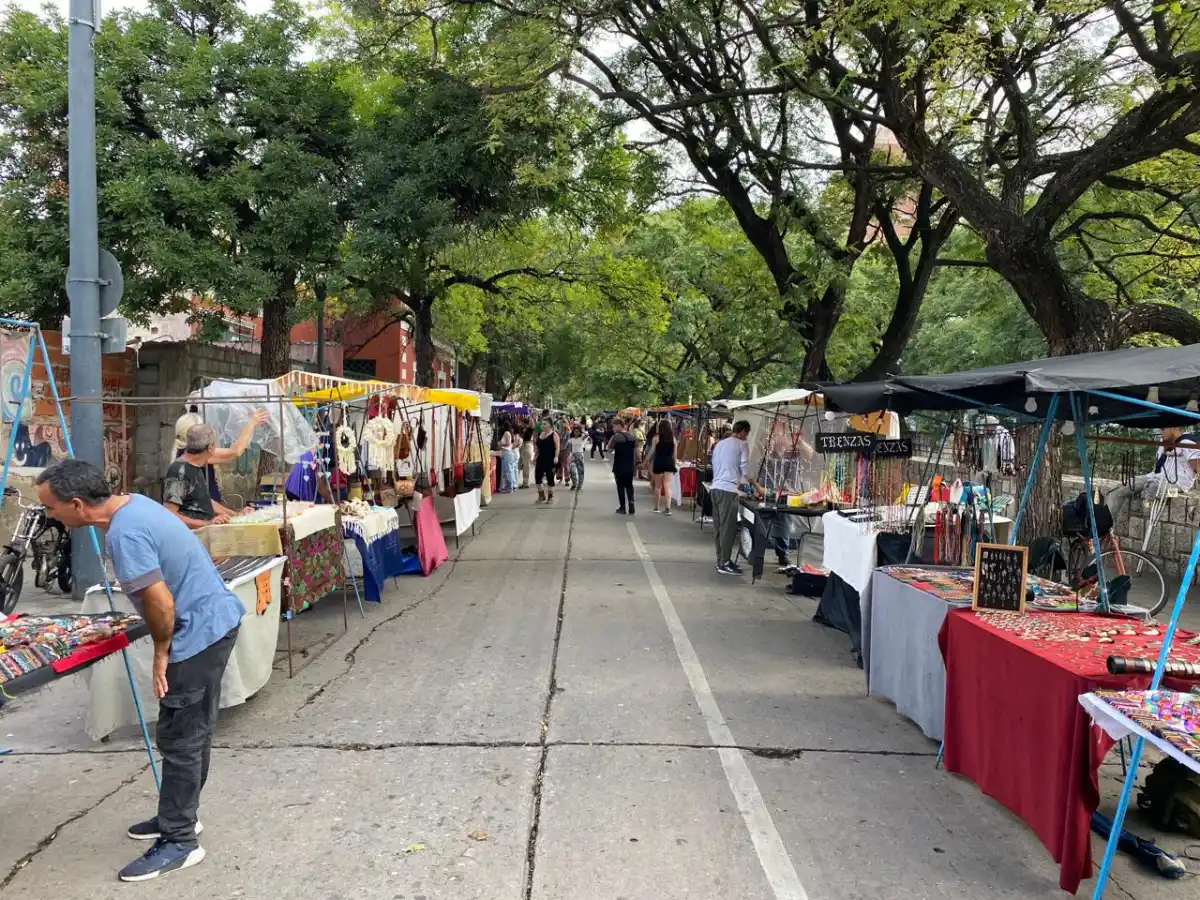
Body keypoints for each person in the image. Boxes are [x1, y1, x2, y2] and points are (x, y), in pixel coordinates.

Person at [35, 459, 243, 881]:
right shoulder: (133, 504)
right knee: (190, 729)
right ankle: (179, 816)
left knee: (181, 737)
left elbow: (161, 603)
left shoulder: (124, 533)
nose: (49, 516)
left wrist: (161, 651)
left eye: (51, 508)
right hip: (214, 621)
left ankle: (179, 840)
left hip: (197, 632)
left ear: (77, 504)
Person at [162, 414, 266, 528]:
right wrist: (207, 523)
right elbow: (170, 513)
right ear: (210, 448)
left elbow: (205, 500)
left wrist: (236, 515)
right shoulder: (179, 471)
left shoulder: (196, 465)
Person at [1107, 427, 1200, 524]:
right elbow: (1158, 467)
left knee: (1154, 488)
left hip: (1178, 484)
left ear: (1173, 428)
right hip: (1156, 477)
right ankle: (1105, 526)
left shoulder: (1188, 442)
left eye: (1163, 429)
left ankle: (1165, 495)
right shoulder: (1163, 441)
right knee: (1120, 489)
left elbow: (1198, 468)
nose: (1161, 432)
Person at [710, 420, 763, 576]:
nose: (746, 437)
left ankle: (721, 559)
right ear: (743, 432)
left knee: (719, 528)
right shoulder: (741, 445)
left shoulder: (719, 444)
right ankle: (725, 563)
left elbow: (717, 466)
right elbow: (745, 470)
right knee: (728, 528)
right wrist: (757, 486)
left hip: (715, 488)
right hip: (728, 490)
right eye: (747, 434)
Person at [608, 418, 638, 514]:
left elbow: (609, 450)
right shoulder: (632, 437)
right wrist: (639, 462)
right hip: (630, 465)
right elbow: (637, 451)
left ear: (619, 425)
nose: (613, 428)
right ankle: (631, 501)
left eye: (613, 426)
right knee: (629, 485)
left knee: (620, 486)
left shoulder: (616, 437)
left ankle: (622, 507)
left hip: (619, 464)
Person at [649, 419, 678, 515]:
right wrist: (674, 463)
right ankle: (668, 509)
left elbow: (652, 451)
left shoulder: (656, 438)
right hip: (669, 462)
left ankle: (656, 507)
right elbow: (675, 455)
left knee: (657, 486)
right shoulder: (673, 439)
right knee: (667, 486)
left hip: (659, 462)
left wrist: (645, 461)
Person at [534, 417, 560, 504]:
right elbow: (538, 448)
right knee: (538, 477)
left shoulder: (554, 435)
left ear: (550, 425)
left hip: (550, 459)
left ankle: (550, 497)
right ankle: (541, 495)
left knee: (550, 478)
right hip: (540, 458)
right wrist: (535, 457)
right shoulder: (540, 434)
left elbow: (557, 447)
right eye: (542, 424)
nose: (543, 426)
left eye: (545, 424)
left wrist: (556, 457)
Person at [567, 425, 587, 491]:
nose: (576, 433)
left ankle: (580, 485)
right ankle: (574, 484)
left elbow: (587, 434)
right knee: (572, 470)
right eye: (575, 431)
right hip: (573, 455)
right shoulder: (571, 439)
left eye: (578, 431)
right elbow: (569, 448)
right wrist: (568, 456)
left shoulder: (581, 438)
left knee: (580, 471)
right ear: (573, 432)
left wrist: (582, 431)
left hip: (580, 455)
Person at [519, 424, 535, 489]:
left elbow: (532, 425)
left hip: (526, 446)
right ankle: (525, 482)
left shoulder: (528, 430)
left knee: (526, 466)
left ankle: (526, 483)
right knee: (526, 466)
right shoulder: (529, 431)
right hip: (528, 446)